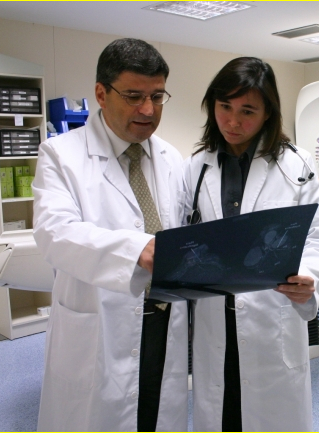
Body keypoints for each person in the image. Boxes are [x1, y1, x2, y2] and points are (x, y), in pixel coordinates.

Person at [32, 38, 188, 431]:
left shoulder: (171, 158)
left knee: (154, 412)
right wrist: (138, 250)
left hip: (165, 319)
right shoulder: (60, 155)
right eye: (134, 96)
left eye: (157, 96)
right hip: (101, 324)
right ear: (101, 94)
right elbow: (55, 233)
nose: (148, 110)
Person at [183, 57, 319, 431]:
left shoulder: (296, 166)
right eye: (225, 107)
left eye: (247, 111)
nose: (233, 121)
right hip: (214, 317)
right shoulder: (197, 166)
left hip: (272, 315)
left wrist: (309, 278)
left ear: (268, 112)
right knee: (222, 414)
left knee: (271, 417)